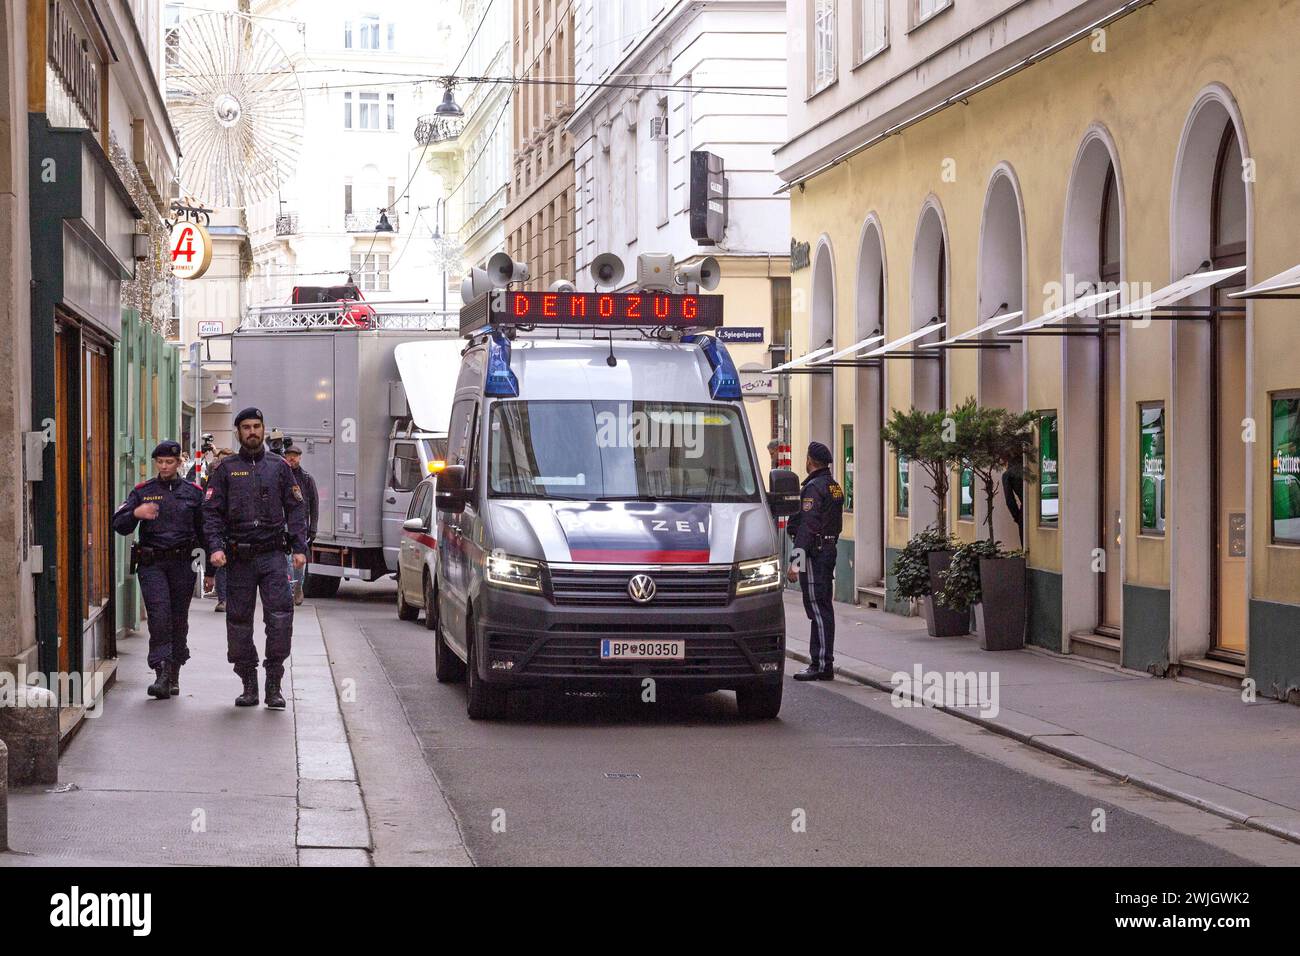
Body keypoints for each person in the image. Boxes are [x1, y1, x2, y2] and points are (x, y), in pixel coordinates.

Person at [203, 408, 309, 710]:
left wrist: (300, 547)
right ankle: (248, 683)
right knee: (238, 622)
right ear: (238, 432)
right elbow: (210, 512)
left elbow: (297, 509)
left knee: (279, 619)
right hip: (239, 558)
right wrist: (215, 547)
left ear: (263, 430)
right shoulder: (225, 469)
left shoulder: (279, 467)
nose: (252, 431)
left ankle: (274, 683)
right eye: (246, 427)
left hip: (274, 556)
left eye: (257, 426)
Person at [112, 440, 209, 699]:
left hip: (183, 563)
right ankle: (161, 672)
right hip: (152, 563)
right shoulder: (143, 492)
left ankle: (174, 670)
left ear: (179, 463)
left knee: (178, 618)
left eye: (170, 462)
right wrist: (136, 514)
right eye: (160, 462)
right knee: (159, 615)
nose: (164, 466)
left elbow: (205, 532)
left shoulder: (193, 493)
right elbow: (119, 523)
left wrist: (209, 571)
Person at [786, 441, 844, 681]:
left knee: (817, 609)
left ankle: (821, 664)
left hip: (815, 554)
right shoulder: (834, 487)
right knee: (822, 606)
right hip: (828, 550)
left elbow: (807, 528)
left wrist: (795, 562)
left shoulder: (813, 488)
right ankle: (821, 661)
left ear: (810, 461)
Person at [282, 445, 318, 606]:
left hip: (301, 524)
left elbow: (314, 504)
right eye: (289, 455)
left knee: (299, 559)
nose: (292, 458)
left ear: (300, 458)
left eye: (295, 456)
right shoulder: (280, 476)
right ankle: (289, 589)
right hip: (282, 524)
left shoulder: (306, 478)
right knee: (287, 559)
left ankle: (298, 586)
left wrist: (313, 527)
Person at [207, 448, 235, 611]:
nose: (222, 463)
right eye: (220, 459)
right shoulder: (213, 478)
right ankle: (223, 599)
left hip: (238, 530)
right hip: (220, 528)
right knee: (221, 565)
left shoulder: (241, 478)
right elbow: (207, 505)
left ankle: (232, 598)